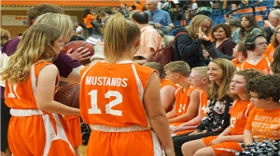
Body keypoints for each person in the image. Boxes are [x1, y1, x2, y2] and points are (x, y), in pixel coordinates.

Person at [79, 13, 175, 156]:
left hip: (98, 139)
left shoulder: (87, 72)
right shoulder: (144, 74)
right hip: (135, 140)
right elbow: (156, 117)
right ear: (137, 42)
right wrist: (169, 148)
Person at [0, 4, 84, 156]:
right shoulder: (47, 67)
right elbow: (45, 103)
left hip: (16, 121)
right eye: (61, 42)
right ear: (48, 43)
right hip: (41, 122)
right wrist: (82, 112)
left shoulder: (15, 63)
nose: (63, 46)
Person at [181, 69, 264, 156]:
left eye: (238, 82)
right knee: (187, 147)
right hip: (230, 137)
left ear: (249, 86)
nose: (232, 84)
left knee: (201, 153)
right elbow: (231, 126)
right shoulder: (236, 101)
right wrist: (221, 136)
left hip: (242, 140)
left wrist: (223, 138)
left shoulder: (252, 105)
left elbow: (252, 136)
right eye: (232, 81)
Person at [172, 58, 236, 156]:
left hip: (222, 131)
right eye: (208, 69)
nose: (210, 72)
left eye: (214, 69)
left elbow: (227, 121)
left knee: (178, 143)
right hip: (212, 129)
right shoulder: (213, 91)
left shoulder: (231, 93)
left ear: (225, 71)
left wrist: (206, 131)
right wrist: (199, 129)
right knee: (174, 140)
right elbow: (209, 115)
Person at [236, 75, 280, 155]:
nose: (250, 100)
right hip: (253, 147)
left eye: (254, 97)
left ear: (269, 99)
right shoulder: (255, 110)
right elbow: (248, 131)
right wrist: (250, 146)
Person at [170, 66, 209, 136]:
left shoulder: (195, 91)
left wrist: (185, 126)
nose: (189, 80)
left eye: (192, 77)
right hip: (193, 125)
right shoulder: (201, 92)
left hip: (201, 127)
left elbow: (189, 115)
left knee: (170, 136)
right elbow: (200, 117)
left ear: (204, 80)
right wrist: (183, 126)